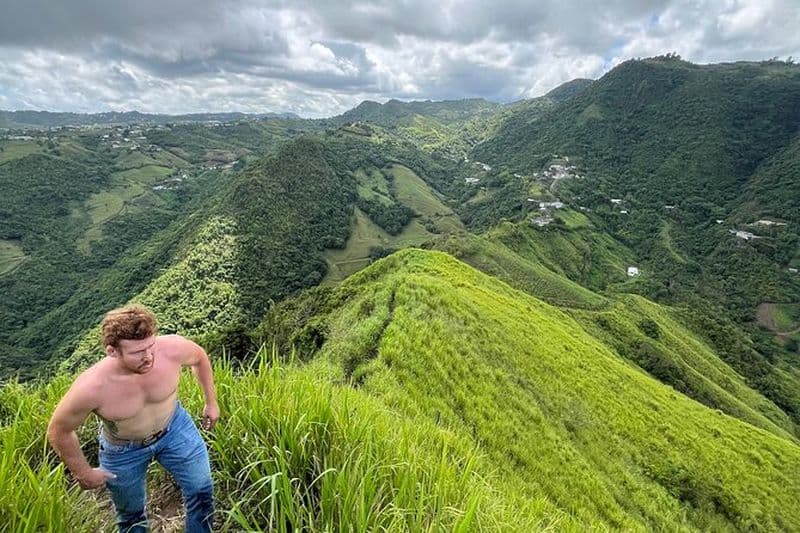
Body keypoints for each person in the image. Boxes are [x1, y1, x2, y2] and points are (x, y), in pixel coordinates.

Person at [47, 304, 220, 532]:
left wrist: (211, 402)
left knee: (201, 491)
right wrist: (83, 472)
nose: (148, 357)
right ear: (112, 351)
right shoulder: (92, 387)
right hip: (122, 450)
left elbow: (200, 358)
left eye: (150, 346)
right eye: (137, 352)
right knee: (131, 516)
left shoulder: (172, 349)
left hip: (175, 428)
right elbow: (59, 430)